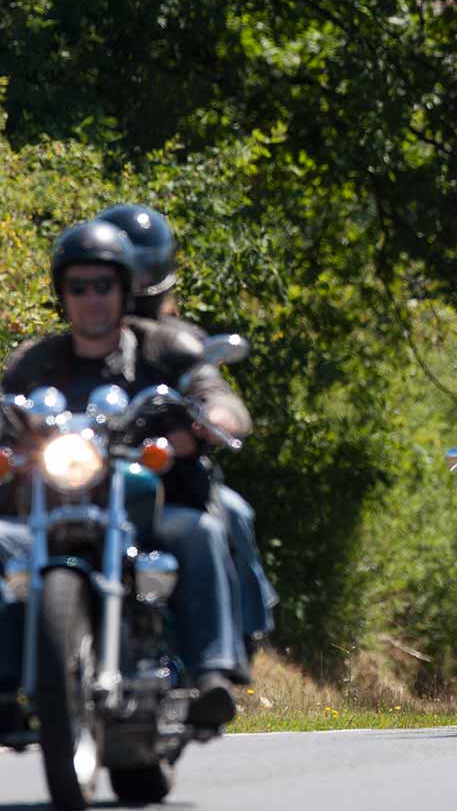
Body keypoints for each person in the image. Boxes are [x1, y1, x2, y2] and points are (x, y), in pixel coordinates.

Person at [0, 220, 252, 728]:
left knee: (199, 529)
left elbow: (215, 394)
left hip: (145, 510)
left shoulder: (163, 348)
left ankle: (211, 675)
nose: (92, 298)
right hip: (54, 508)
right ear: (62, 294)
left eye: (103, 286)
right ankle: (7, 687)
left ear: (125, 289)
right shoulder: (35, 361)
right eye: (79, 287)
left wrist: (215, 417)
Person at [95, 203, 278, 641]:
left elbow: (212, 389)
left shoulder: (179, 341)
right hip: (89, 478)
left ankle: (241, 638)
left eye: (140, 269)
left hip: (172, 481)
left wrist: (214, 418)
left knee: (231, 514)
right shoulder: (75, 344)